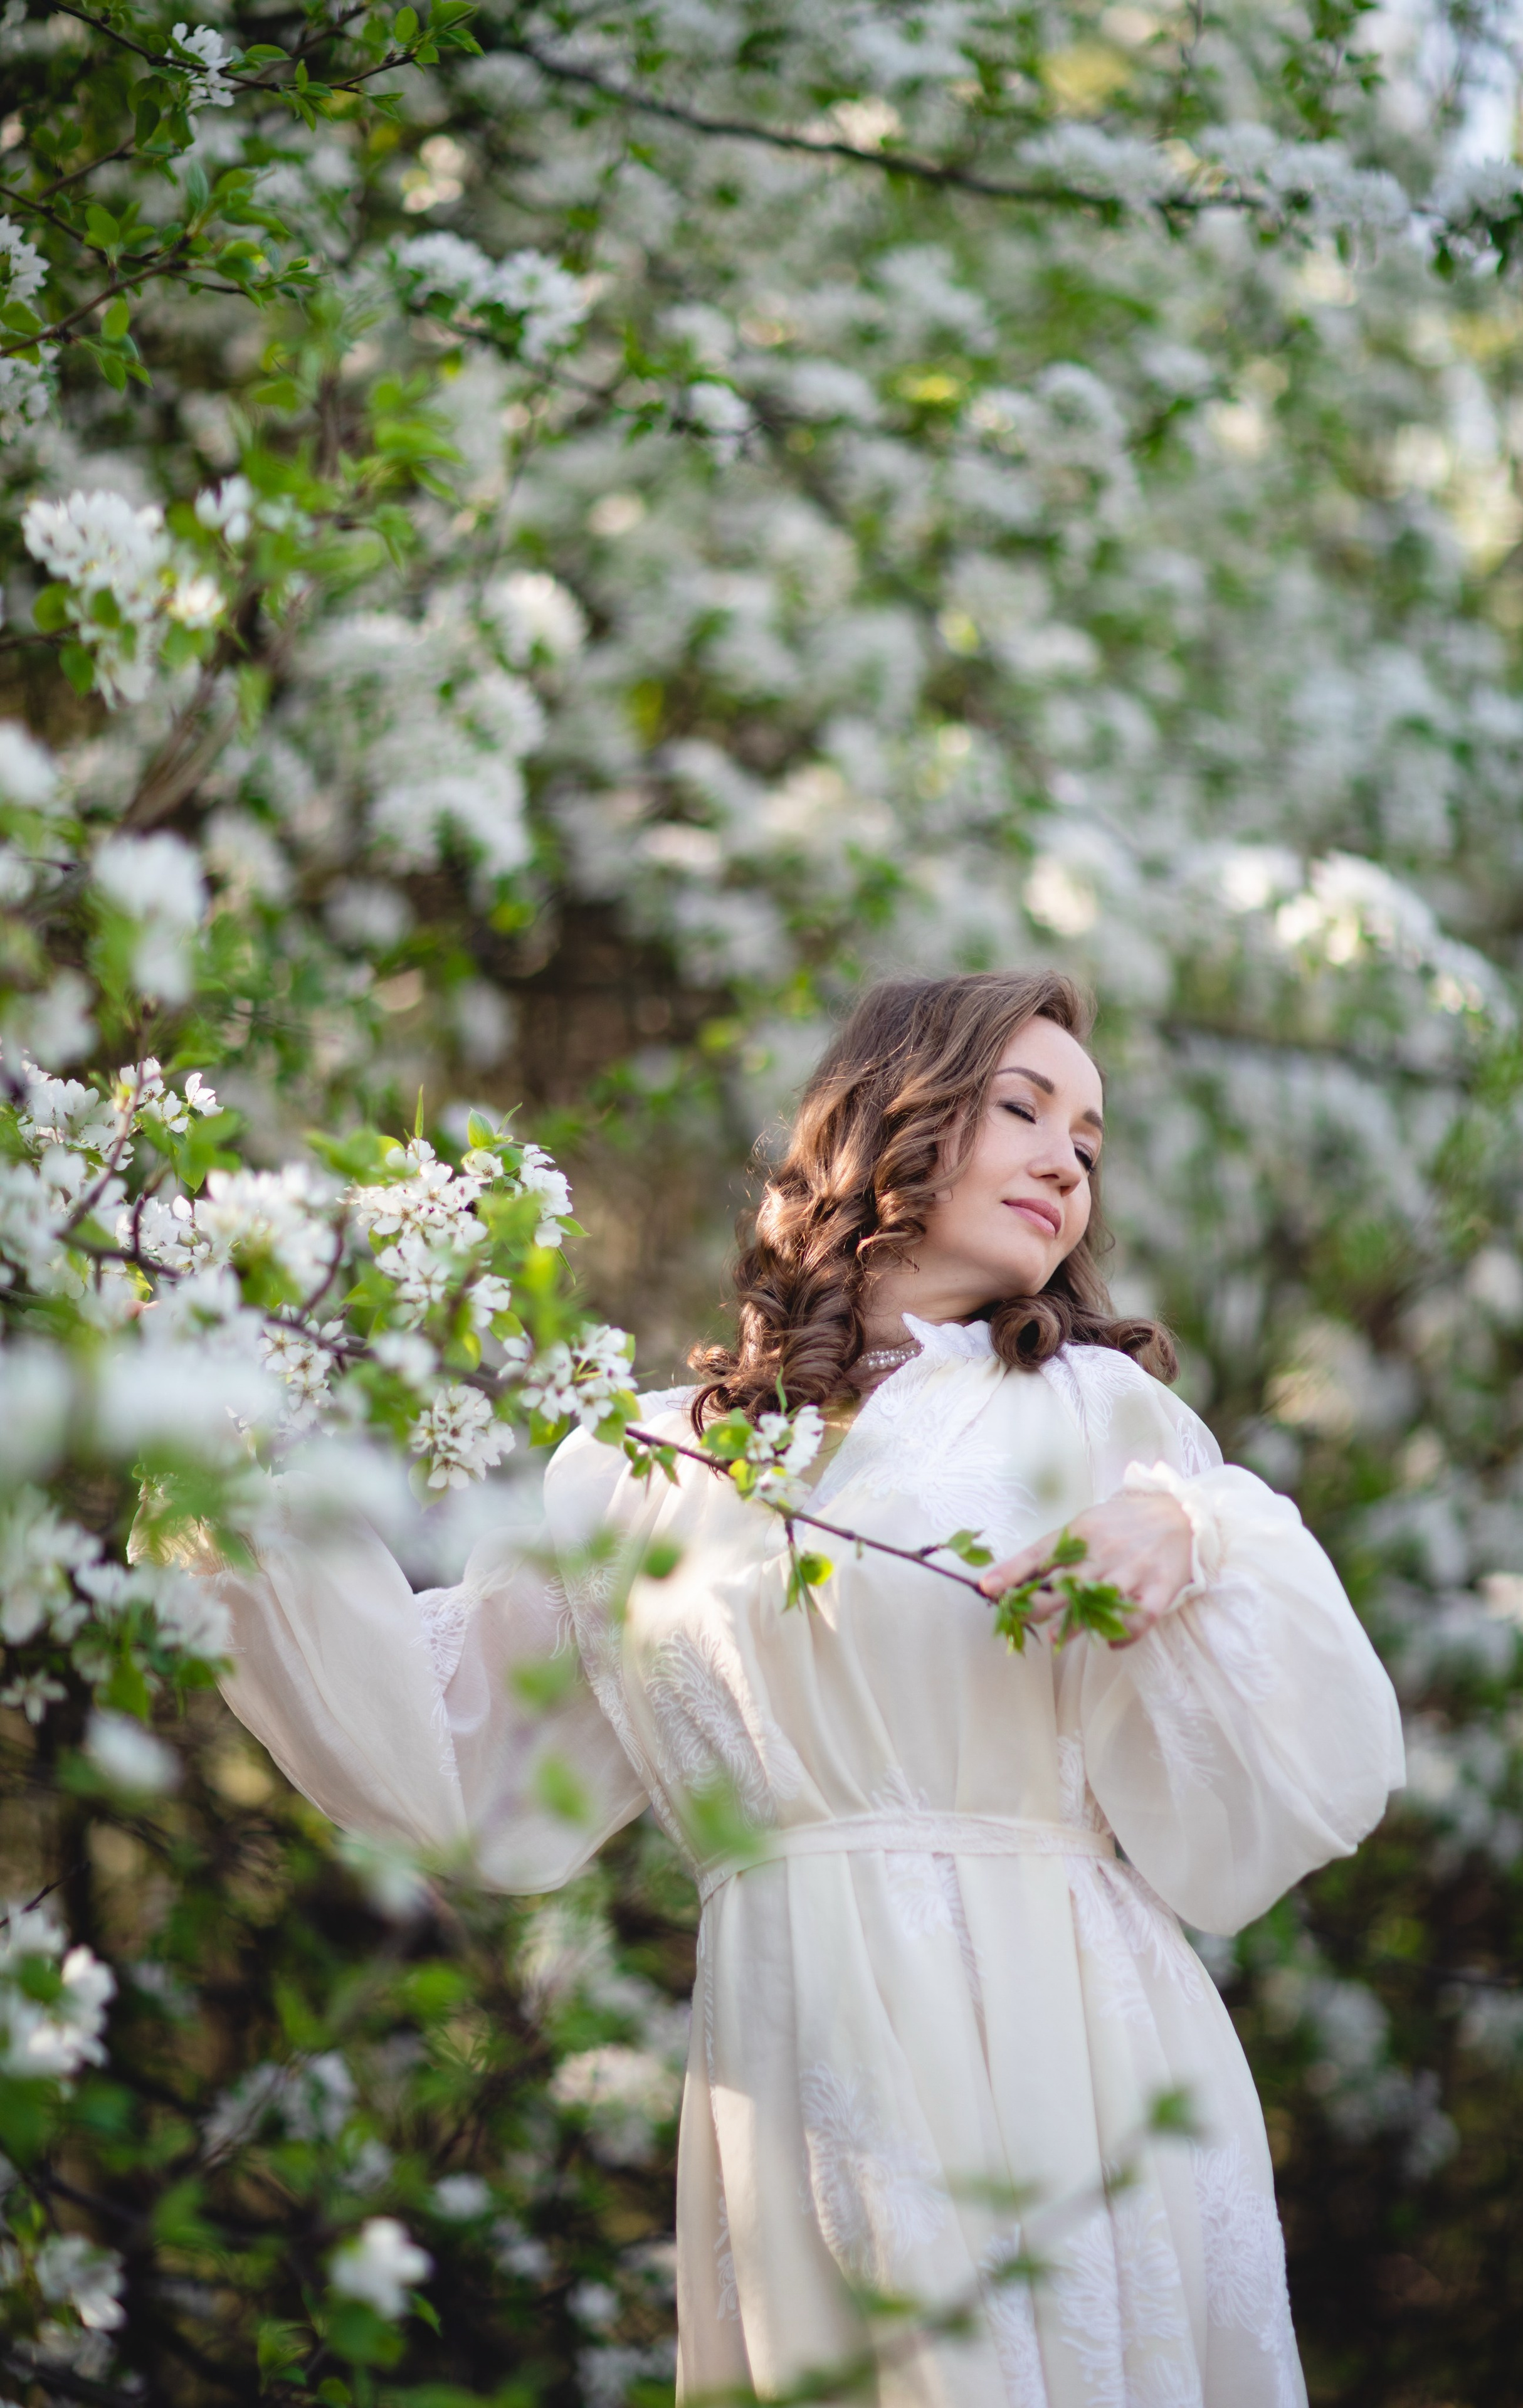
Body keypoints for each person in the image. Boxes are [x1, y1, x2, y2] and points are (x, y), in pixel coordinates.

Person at [195, 968, 1405, 2406]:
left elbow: (1305, 1769)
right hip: (794, 2048)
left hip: (1058, 2021)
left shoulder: (1095, 1412)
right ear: (894, 1117)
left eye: (1086, 1140)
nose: (1062, 1161)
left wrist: (1194, 1527)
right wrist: (214, 1442)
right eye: (1020, 1107)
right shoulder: (650, 1469)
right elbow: (448, 1746)